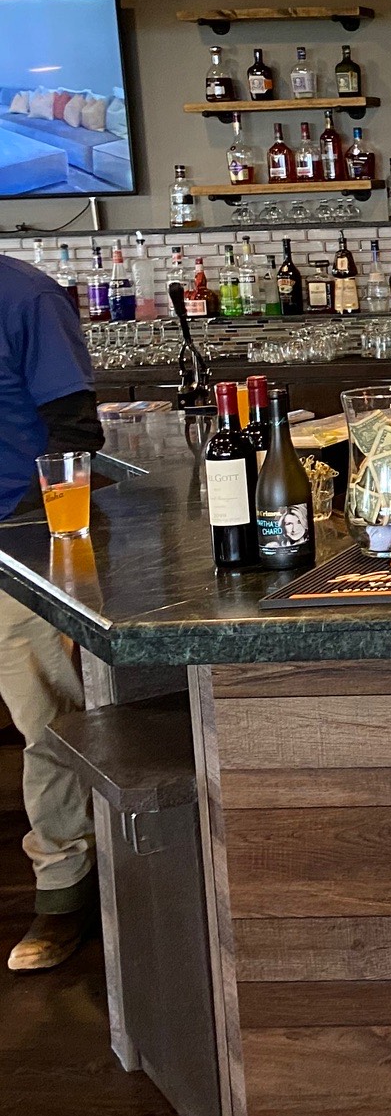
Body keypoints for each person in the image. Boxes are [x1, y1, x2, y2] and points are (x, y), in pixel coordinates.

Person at [0, 251, 103, 972]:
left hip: (12, 539)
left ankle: (63, 888)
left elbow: (75, 430)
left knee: (47, 720)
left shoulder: (26, 297)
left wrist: (45, 539)